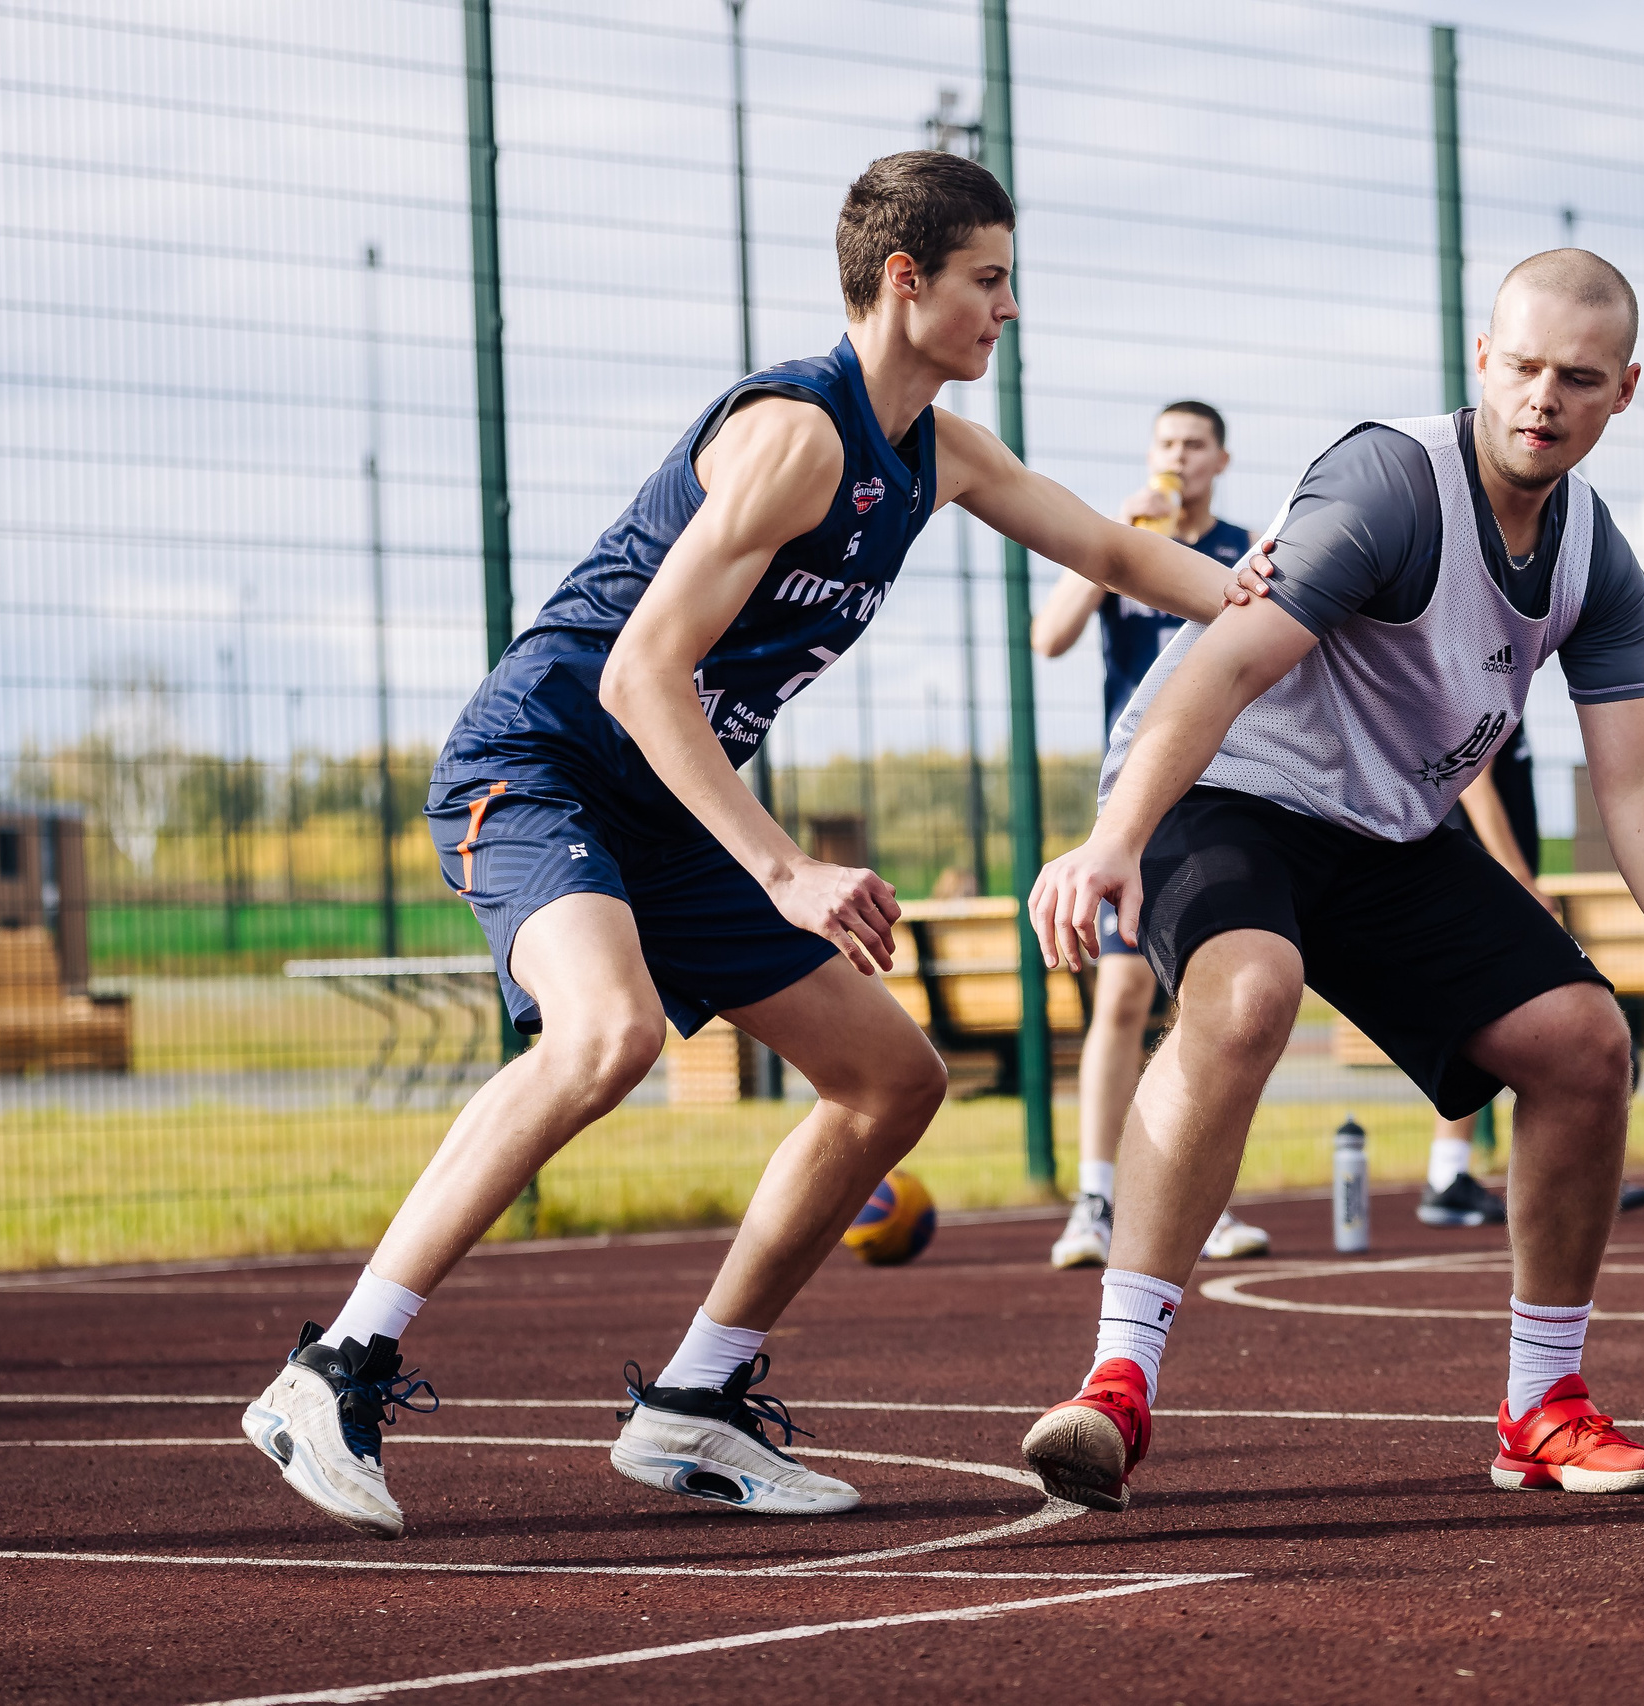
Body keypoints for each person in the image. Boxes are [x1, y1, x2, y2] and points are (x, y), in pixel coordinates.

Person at [239, 150, 1259, 1538]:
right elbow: (637, 674)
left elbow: (1124, 557)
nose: (1009, 308)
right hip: (545, 768)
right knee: (608, 1036)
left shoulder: (941, 451)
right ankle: (336, 1363)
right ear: (907, 283)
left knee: (888, 1078)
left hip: (670, 802)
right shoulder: (796, 435)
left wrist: (1287, 604)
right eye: (990, 279)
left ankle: (692, 1401)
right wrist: (784, 863)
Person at [1014, 250, 1644, 1512]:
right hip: (1225, 786)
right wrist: (1116, 833)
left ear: (1623, 393)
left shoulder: (1593, 555)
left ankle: (1540, 1405)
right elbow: (1222, 666)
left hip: (1384, 827)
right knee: (1245, 994)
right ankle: (1116, 1379)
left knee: (1582, 1040)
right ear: (1483, 361)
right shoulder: (1392, 485)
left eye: (1580, 378)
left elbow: (1640, 773)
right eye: (1524, 366)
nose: (1544, 398)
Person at [1031, 401, 1269, 1268]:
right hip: (1135, 798)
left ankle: (1202, 1202)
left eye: (1194, 445)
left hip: (1226, 790)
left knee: (1212, 1000)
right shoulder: (1121, 541)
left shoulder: (1248, 548)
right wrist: (1119, 541)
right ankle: (1096, 1198)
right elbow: (1048, 636)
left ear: (1221, 459)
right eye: (1167, 443)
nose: (1179, 457)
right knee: (1123, 998)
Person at [1418, 736, 1644, 1226]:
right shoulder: (1482, 675)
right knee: (1550, 1025)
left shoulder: (1509, 684)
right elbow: (1474, 782)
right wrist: (1522, 881)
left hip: (1486, 876)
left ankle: (1452, 1176)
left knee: (1481, 1019)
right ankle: (1461, 1178)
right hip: (1482, 877)